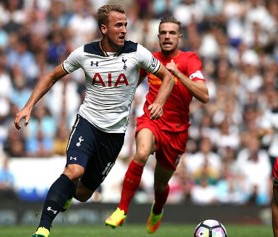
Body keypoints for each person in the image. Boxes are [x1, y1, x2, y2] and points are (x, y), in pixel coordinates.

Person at [13, 5, 174, 237]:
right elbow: (51, 76)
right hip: (88, 123)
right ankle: (43, 228)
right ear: (104, 28)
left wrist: (159, 102)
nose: (124, 30)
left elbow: (167, 77)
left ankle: (68, 194)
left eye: (126, 25)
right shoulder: (84, 53)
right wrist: (28, 106)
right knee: (73, 170)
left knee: (83, 193)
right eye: (118, 25)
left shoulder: (137, 53)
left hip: (115, 133)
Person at [105, 16, 209, 234]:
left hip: (177, 132)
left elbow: (204, 95)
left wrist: (178, 73)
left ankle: (158, 209)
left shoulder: (190, 60)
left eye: (172, 33)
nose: (167, 37)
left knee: (160, 185)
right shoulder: (151, 59)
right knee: (141, 153)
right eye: (163, 33)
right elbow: (131, 83)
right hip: (151, 120)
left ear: (179, 37)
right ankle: (122, 210)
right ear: (158, 36)